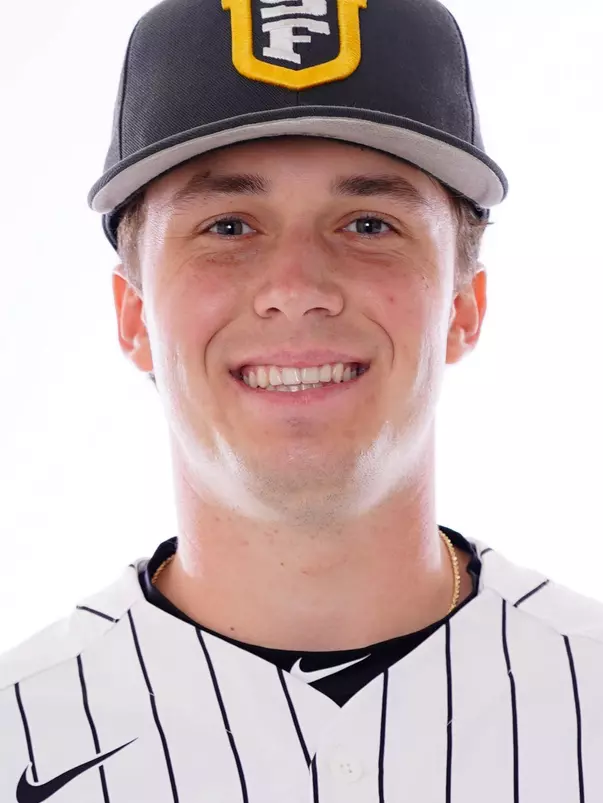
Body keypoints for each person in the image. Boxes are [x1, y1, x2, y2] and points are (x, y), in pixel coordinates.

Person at [1, 0, 602, 800]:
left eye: (366, 222)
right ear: (134, 316)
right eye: (227, 226)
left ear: (463, 307)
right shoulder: (20, 735)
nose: (295, 289)